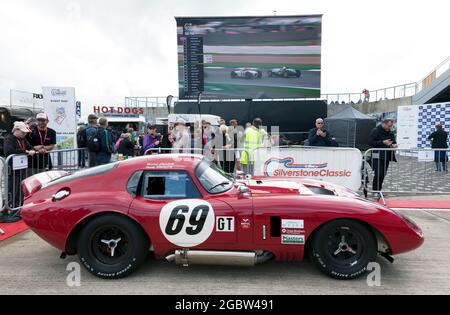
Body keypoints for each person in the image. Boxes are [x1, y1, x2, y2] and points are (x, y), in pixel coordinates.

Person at [3, 122, 36, 211]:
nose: (25, 134)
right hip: (11, 169)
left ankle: (18, 207)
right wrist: (25, 152)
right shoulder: (8, 138)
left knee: (20, 189)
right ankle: (8, 209)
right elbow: (9, 151)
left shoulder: (23, 139)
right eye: (23, 132)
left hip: (21, 168)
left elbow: (30, 147)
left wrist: (31, 150)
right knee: (12, 189)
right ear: (16, 130)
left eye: (25, 132)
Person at [368, 118, 397, 194]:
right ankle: (375, 191)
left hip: (386, 156)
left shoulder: (390, 132)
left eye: (391, 126)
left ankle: (378, 190)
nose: (389, 128)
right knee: (378, 173)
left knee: (383, 174)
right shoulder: (376, 130)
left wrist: (394, 145)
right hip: (377, 155)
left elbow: (393, 141)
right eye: (388, 126)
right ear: (383, 123)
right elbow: (370, 142)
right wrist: (383, 142)